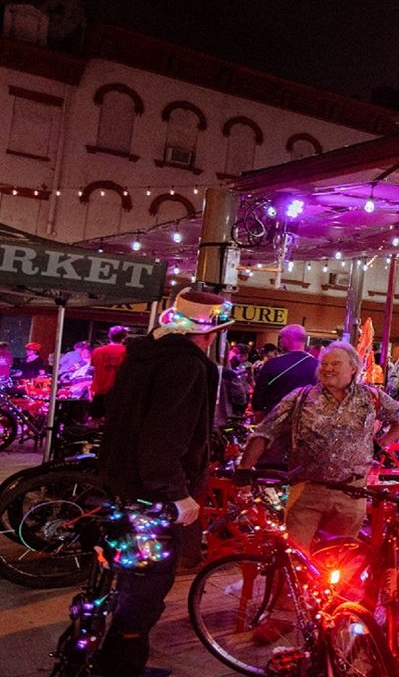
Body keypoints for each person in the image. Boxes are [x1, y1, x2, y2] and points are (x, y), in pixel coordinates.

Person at [96, 289, 232, 677]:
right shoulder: (188, 366)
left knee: (128, 576)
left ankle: (113, 658)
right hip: (153, 496)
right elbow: (165, 435)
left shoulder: (140, 356)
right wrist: (177, 493)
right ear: (205, 334)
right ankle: (122, 667)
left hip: (120, 483)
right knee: (148, 585)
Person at [240, 341, 399, 551]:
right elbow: (265, 431)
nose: (328, 368)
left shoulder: (371, 397)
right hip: (307, 492)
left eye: (335, 364)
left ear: (353, 368)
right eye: (324, 363)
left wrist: (381, 443)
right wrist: (244, 470)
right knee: (295, 557)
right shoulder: (301, 397)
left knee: (340, 559)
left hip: (351, 493)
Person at [251, 324, 318, 418]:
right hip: (306, 419)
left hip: (276, 418)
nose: (280, 341)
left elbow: (259, 393)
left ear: (288, 339)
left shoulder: (272, 364)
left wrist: (259, 415)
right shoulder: (317, 365)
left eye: (281, 338)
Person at [90, 326, 130, 415]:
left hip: (100, 390)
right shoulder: (127, 352)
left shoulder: (97, 351)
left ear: (109, 336)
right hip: (118, 391)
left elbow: (93, 368)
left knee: (95, 420)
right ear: (124, 337)